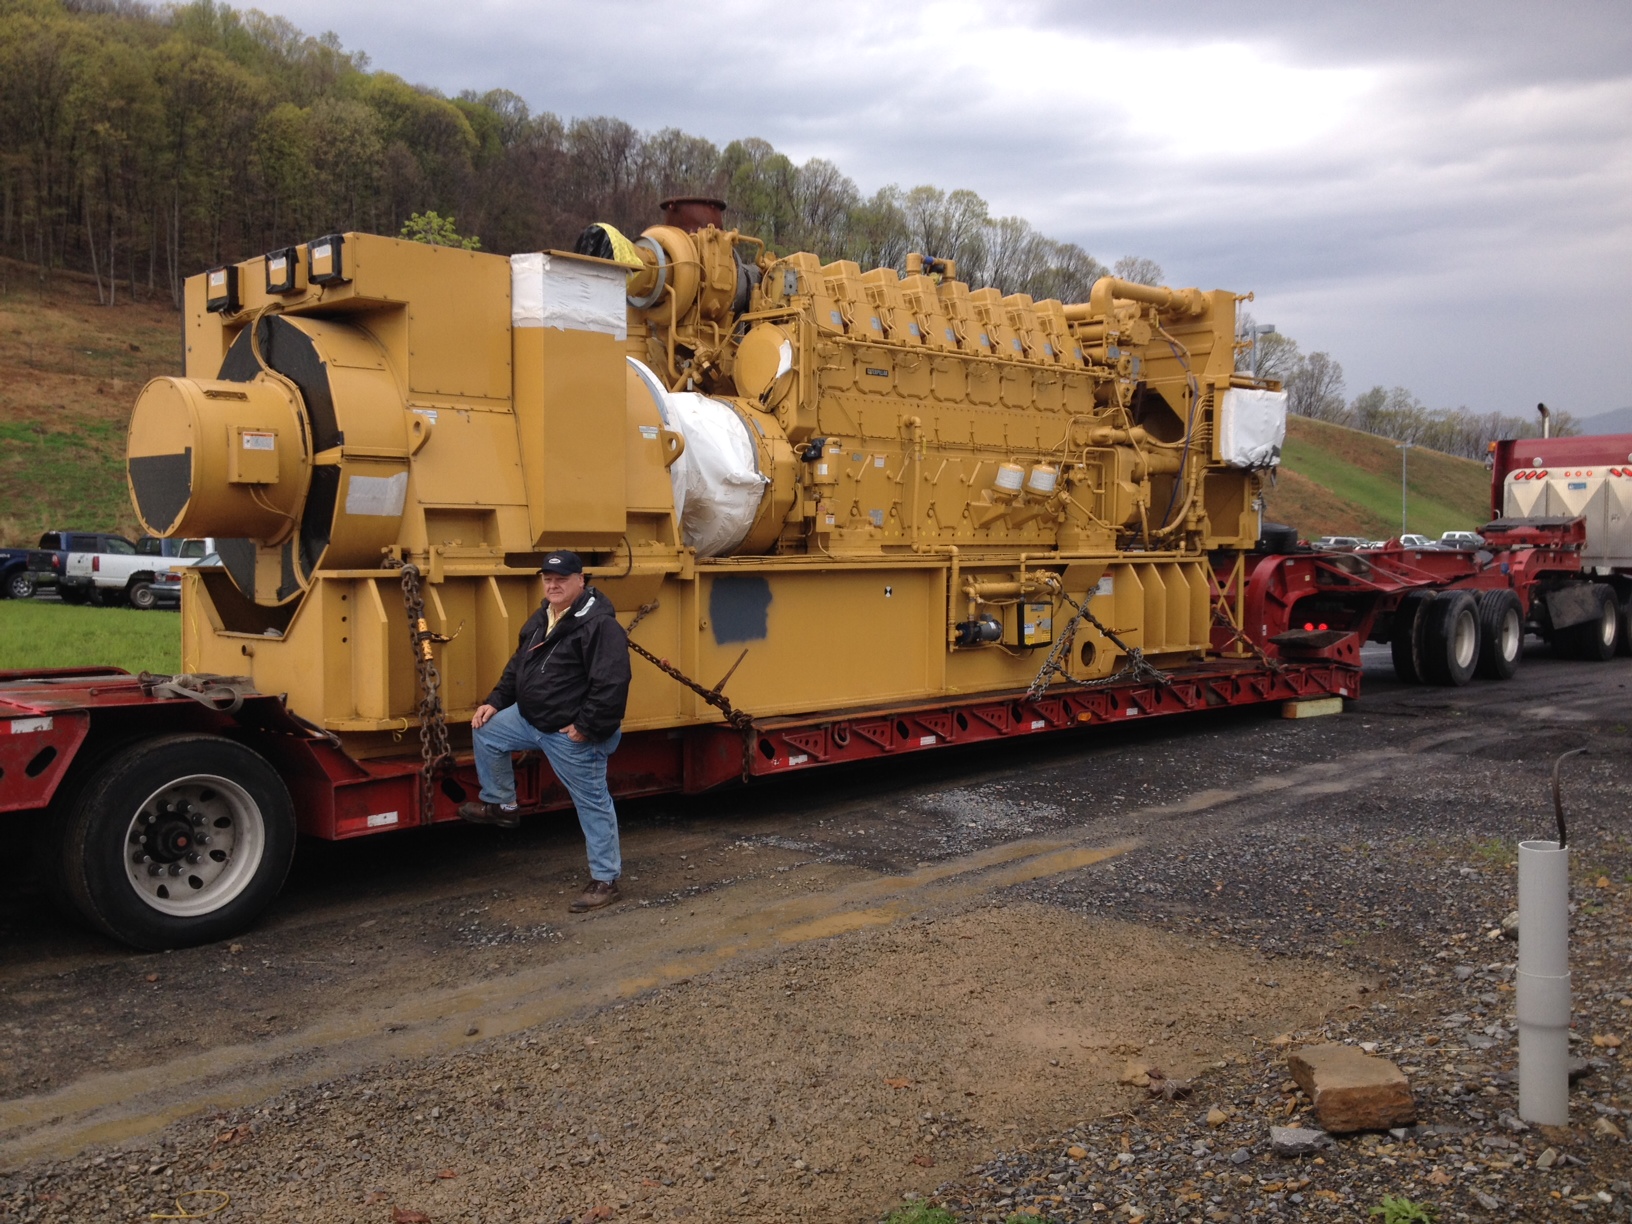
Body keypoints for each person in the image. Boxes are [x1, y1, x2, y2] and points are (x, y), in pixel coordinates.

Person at [459, 550, 632, 912]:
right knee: (486, 729)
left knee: (593, 805)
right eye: (548, 579)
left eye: (562, 579)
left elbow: (613, 683)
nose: (553, 585)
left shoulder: (600, 625)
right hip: (529, 719)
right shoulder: (544, 616)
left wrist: (586, 728)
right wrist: (496, 699)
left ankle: (605, 880)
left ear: (580, 581)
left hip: (568, 734)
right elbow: (519, 664)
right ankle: (502, 804)